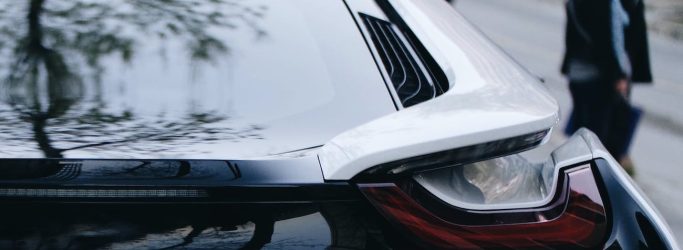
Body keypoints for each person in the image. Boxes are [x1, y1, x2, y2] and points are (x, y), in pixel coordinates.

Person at [562, 0, 652, 175]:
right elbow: (612, 37)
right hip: (600, 76)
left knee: (583, 135)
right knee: (596, 140)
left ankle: (576, 176)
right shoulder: (611, 4)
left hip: (578, 71)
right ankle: (589, 181)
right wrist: (619, 75)